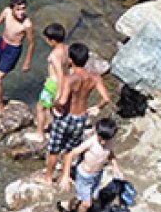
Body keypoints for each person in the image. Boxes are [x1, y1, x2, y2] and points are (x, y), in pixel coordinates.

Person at [43, 43, 111, 185]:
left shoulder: (69, 79)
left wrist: (53, 105)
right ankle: (64, 176)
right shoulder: (95, 77)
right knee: (70, 148)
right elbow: (106, 98)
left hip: (66, 117)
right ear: (86, 60)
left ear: (70, 60)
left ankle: (48, 178)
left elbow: (62, 102)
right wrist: (97, 107)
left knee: (55, 148)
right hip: (81, 118)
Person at [59, 118, 124, 212]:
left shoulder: (110, 141)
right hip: (84, 176)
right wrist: (65, 175)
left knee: (93, 197)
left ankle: (67, 205)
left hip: (97, 174)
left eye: (107, 139)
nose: (103, 142)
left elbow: (110, 153)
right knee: (87, 203)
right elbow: (70, 155)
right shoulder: (91, 142)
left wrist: (115, 166)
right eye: (101, 138)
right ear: (96, 132)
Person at [32, 23, 69, 142]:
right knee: (53, 108)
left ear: (52, 40)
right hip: (62, 82)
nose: (47, 41)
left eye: (47, 39)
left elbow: (60, 74)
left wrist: (58, 92)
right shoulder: (66, 48)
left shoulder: (54, 55)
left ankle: (40, 134)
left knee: (40, 108)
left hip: (53, 85)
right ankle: (52, 125)